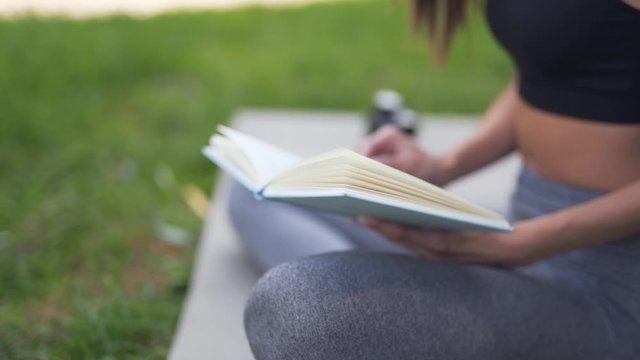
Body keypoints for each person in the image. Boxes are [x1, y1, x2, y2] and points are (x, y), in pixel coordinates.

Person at [229, 0, 640, 358]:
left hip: (609, 280)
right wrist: (442, 167)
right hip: (521, 226)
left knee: (297, 306)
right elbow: (545, 77)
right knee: (260, 192)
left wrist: (524, 243)